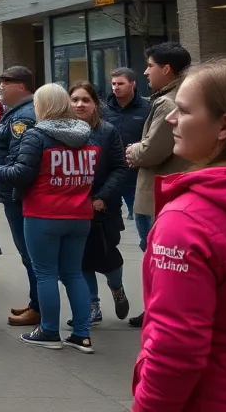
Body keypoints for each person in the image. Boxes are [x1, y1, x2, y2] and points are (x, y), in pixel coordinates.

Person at [133, 57, 226, 412]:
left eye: (182, 110)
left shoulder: (187, 221)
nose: (171, 119)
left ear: (224, 125)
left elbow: (175, 350)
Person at [0, 84, 97, 353]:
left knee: (46, 274)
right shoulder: (86, 135)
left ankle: (50, 331)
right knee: (74, 274)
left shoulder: (36, 136)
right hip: (79, 213)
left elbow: (20, 173)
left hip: (44, 213)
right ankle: (81, 334)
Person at [126, 42, 192, 328]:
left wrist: (133, 151)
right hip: (170, 190)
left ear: (166, 69)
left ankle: (159, 312)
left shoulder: (168, 102)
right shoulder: (179, 95)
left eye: (150, 65)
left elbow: (154, 151)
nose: (145, 71)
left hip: (158, 192)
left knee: (156, 258)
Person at [68, 82, 131, 326]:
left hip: (103, 208)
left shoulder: (107, 131)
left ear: (95, 104)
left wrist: (102, 196)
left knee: (107, 256)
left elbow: (119, 168)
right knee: (80, 259)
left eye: (85, 100)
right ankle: (91, 305)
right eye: (75, 100)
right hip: (73, 207)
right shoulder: (62, 131)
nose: (79, 104)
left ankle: (117, 288)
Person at [0, 65, 40, 327]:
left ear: (22, 86)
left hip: (15, 193)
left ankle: (39, 306)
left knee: (29, 253)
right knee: (27, 253)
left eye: (7, 82)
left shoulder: (23, 117)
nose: (1, 87)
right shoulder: (15, 112)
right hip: (11, 191)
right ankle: (36, 302)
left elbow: (18, 158)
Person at [102, 68, 148, 221]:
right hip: (110, 175)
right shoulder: (104, 110)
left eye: (120, 83)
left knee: (142, 222)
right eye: (113, 84)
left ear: (133, 84)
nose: (116, 87)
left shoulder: (147, 109)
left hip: (136, 175)